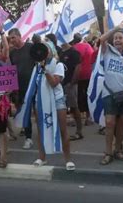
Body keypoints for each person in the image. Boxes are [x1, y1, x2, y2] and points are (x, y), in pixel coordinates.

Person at [28, 40, 75, 170]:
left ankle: (68, 159)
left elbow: (54, 83)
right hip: (41, 101)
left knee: (62, 129)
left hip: (57, 100)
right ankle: (42, 157)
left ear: (51, 50)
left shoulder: (58, 65)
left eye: (46, 49)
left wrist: (45, 69)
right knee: (41, 130)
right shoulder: (36, 67)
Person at [98, 23, 123, 165]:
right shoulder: (107, 51)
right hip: (109, 93)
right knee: (110, 123)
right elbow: (101, 40)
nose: (118, 40)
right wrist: (115, 28)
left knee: (121, 124)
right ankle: (108, 152)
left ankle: (118, 150)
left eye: (120, 37)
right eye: (115, 38)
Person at [8, 28, 35, 149]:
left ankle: (45, 135)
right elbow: (11, 70)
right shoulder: (12, 52)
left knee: (39, 111)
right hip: (21, 88)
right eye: (10, 38)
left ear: (20, 36)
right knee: (26, 112)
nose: (12, 40)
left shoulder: (30, 47)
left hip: (34, 85)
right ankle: (28, 138)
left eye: (13, 37)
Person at [59, 40, 83, 140]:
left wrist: (72, 83)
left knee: (74, 107)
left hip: (70, 85)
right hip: (62, 84)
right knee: (63, 109)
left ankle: (79, 131)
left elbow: (78, 68)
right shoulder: (60, 53)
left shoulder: (74, 52)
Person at [72, 33, 94, 126]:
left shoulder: (73, 48)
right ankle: (89, 117)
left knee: (79, 96)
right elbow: (93, 57)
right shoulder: (88, 46)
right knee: (88, 95)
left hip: (77, 75)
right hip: (89, 73)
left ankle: (79, 118)